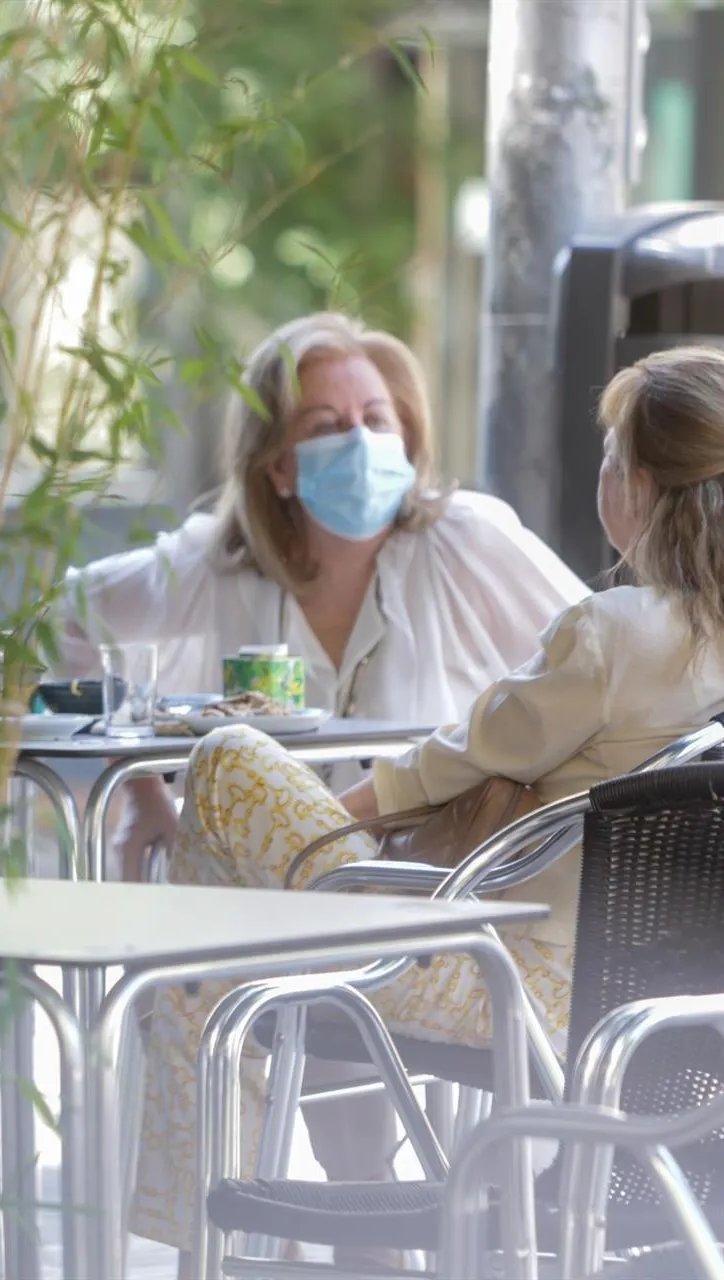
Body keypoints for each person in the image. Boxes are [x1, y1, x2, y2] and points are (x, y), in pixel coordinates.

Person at [132, 344, 724, 1269]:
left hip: (502, 981)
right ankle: (238, 1122)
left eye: (609, 456)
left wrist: (330, 824)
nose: (602, 473)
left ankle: (206, 1228)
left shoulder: (615, 632)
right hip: (640, 999)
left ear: (641, 488)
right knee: (213, 966)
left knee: (229, 763)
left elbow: (459, 755)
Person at [59, 312, 590, 1198]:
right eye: (327, 426)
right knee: (240, 922)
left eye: (378, 421)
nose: (363, 442)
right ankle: (255, 1214)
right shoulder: (214, 564)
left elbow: (599, 661)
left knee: (224, 890)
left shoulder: (465, 541)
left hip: (437, 885)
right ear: (277, 464)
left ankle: (217, 1217)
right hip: (297, 895)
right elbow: (71, 621)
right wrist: (144, 798)